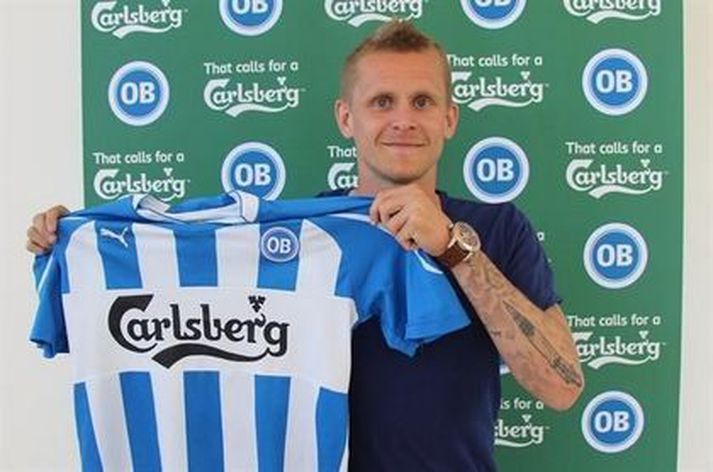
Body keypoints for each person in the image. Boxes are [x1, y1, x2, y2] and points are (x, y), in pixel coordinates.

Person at [27, 20, 583, 472]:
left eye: (421, 101)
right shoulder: (294, 240)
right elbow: (175, 296)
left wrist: (453, 248)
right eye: (382, 101)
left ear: (449, 118)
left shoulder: (496, 229)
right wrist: (75, 242)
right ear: (346, 118)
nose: (403, 120)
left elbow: (562, 388)